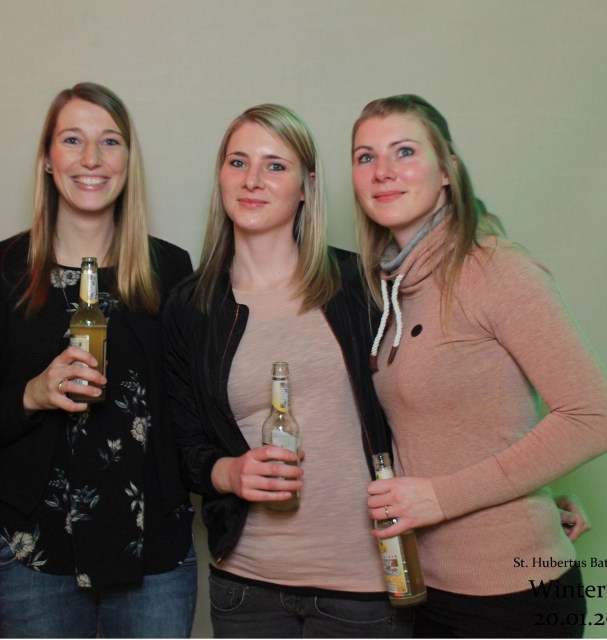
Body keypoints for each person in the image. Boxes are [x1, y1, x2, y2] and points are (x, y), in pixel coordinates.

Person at [351, 94, 607, 637]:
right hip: (427, 586)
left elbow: (594, 419)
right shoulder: (391, 291)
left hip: (513, 594)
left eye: (404, 151)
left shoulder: (497, 270)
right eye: (365, 156)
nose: (383, 171)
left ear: (446, 170)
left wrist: (443, 497)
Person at [163, 104, 412, 638]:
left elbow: (427, 403)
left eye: (275, 165)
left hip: (363, 585)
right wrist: (229, 473)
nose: (252, 180)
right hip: (247, 589)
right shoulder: (191, 306)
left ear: (306, 187)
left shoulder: (361, 286)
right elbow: (182, 446)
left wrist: (514, 497)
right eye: (238, 162)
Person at [0, 82, 196, 638]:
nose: (91, 159)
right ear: (47, 159)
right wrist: (31, 395)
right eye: (72, 140)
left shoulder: (170, 269)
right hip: (33, 558)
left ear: (128, 161)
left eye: (109, 141)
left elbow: (190, 413)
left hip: (154, 556)